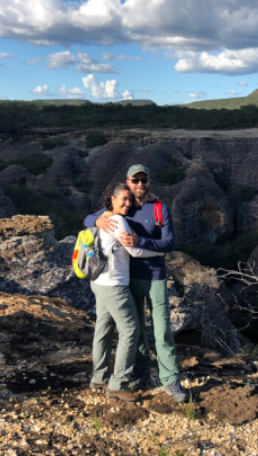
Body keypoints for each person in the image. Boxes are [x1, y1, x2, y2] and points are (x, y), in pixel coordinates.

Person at [85, 164, 189, 403]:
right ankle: (141, 371)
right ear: (128, 182)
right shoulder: (124, 206)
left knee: (162, 329)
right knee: (137, 329)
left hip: (154, 276)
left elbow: (169, 244)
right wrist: (96, 221)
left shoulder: (160, 208)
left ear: (149, 182)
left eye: (144, 180)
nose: (140, 184)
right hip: (128, 278)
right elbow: (90, 218)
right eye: (135, 180)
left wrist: (140, 240)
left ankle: (170, 379)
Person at [90, 183, 164, 402]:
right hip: (114, 284)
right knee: (130, 330)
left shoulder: (104, 217)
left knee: (103, 328)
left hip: (99, 282)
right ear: (112, 200)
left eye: (129, 200)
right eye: (122, 199)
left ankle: (100, 376)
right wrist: (161, 249)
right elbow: (135, 250)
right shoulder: (119, 220)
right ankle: (118, 384)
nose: (127, 203)